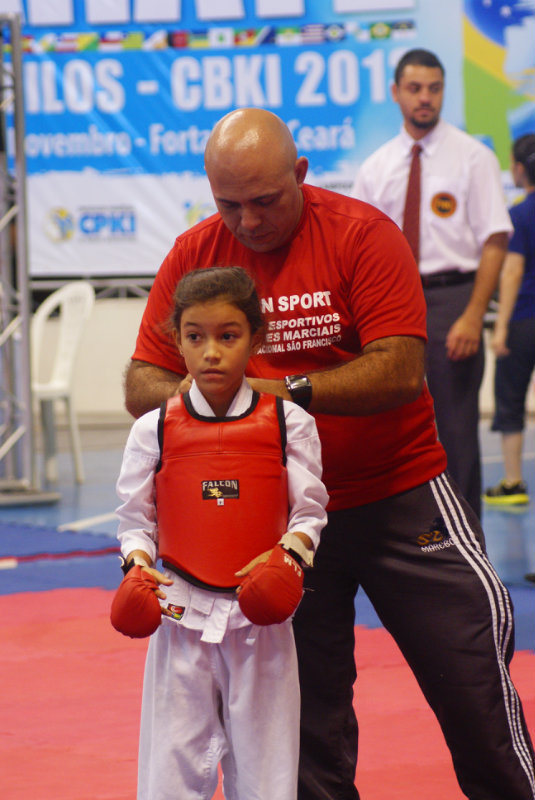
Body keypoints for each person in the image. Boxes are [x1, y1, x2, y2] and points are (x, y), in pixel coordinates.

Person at [124, 108, 535, 800]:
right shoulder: (197, 253)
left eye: (264, 200)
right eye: (229, 204)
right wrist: (221, 399)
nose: (248, 221)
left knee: (473, 688)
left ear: (300, 173)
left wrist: (272, 394)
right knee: (306, 733)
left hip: (398, 493)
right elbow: (142, 381)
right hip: (282, 524)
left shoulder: (361, 234)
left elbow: (400, 368)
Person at [114, 266, 328, 800]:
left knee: (266, 777)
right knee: (169, 775)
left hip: (260, 621)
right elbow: (135, 519)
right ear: (177, 341)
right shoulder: (153, 428)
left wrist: (287, 557)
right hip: (179, 614)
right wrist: (136, 564)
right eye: (196, 337)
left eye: (228, 336)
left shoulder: (289, 422)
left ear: (257, 339)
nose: (211, 352)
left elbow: (309, 512)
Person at [351, 48, 513, 519]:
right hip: (391, 302)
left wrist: (473, 315)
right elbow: (357, 250)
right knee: (386, 425)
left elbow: (495, 241)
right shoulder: (376, 167)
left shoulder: (473, 157)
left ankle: (468, 540)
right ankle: (403, 537)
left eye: (434, 88)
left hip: (453, 301)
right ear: (395, 92)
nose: (425, 98)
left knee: (456, 429)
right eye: (415, 88)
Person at [484, 134, 535, 506]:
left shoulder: (518, 215)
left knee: (511, 400)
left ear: (518, 169)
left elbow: (513, 272)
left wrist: (500, 328)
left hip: (523, 320)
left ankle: (513, 482)